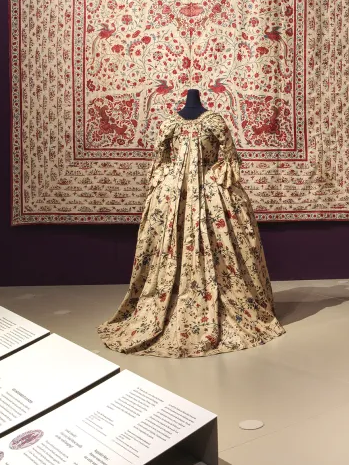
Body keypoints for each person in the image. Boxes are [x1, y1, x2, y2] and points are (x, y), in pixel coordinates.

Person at [98, 92, 283, 357]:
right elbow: (160, 160)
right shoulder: (169, 123)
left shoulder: (215, 122)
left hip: (211, 193)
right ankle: (165, 304)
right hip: (173, 196)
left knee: (227, 250)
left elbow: (229, 159)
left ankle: (224, 302)